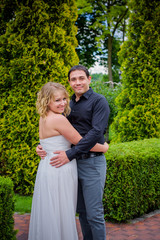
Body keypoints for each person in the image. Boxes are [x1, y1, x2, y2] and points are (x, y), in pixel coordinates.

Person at [29, 82, 109, 240]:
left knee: (52, 211)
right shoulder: (59, 119)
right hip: (60, 168)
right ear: (47, 101)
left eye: (64, 99)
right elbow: (80, 142)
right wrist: (104, 148)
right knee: (62, 210)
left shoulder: (43, 116)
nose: (63, 103)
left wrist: (41, 147)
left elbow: (49, 140)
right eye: (57, 100)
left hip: (48, 167)